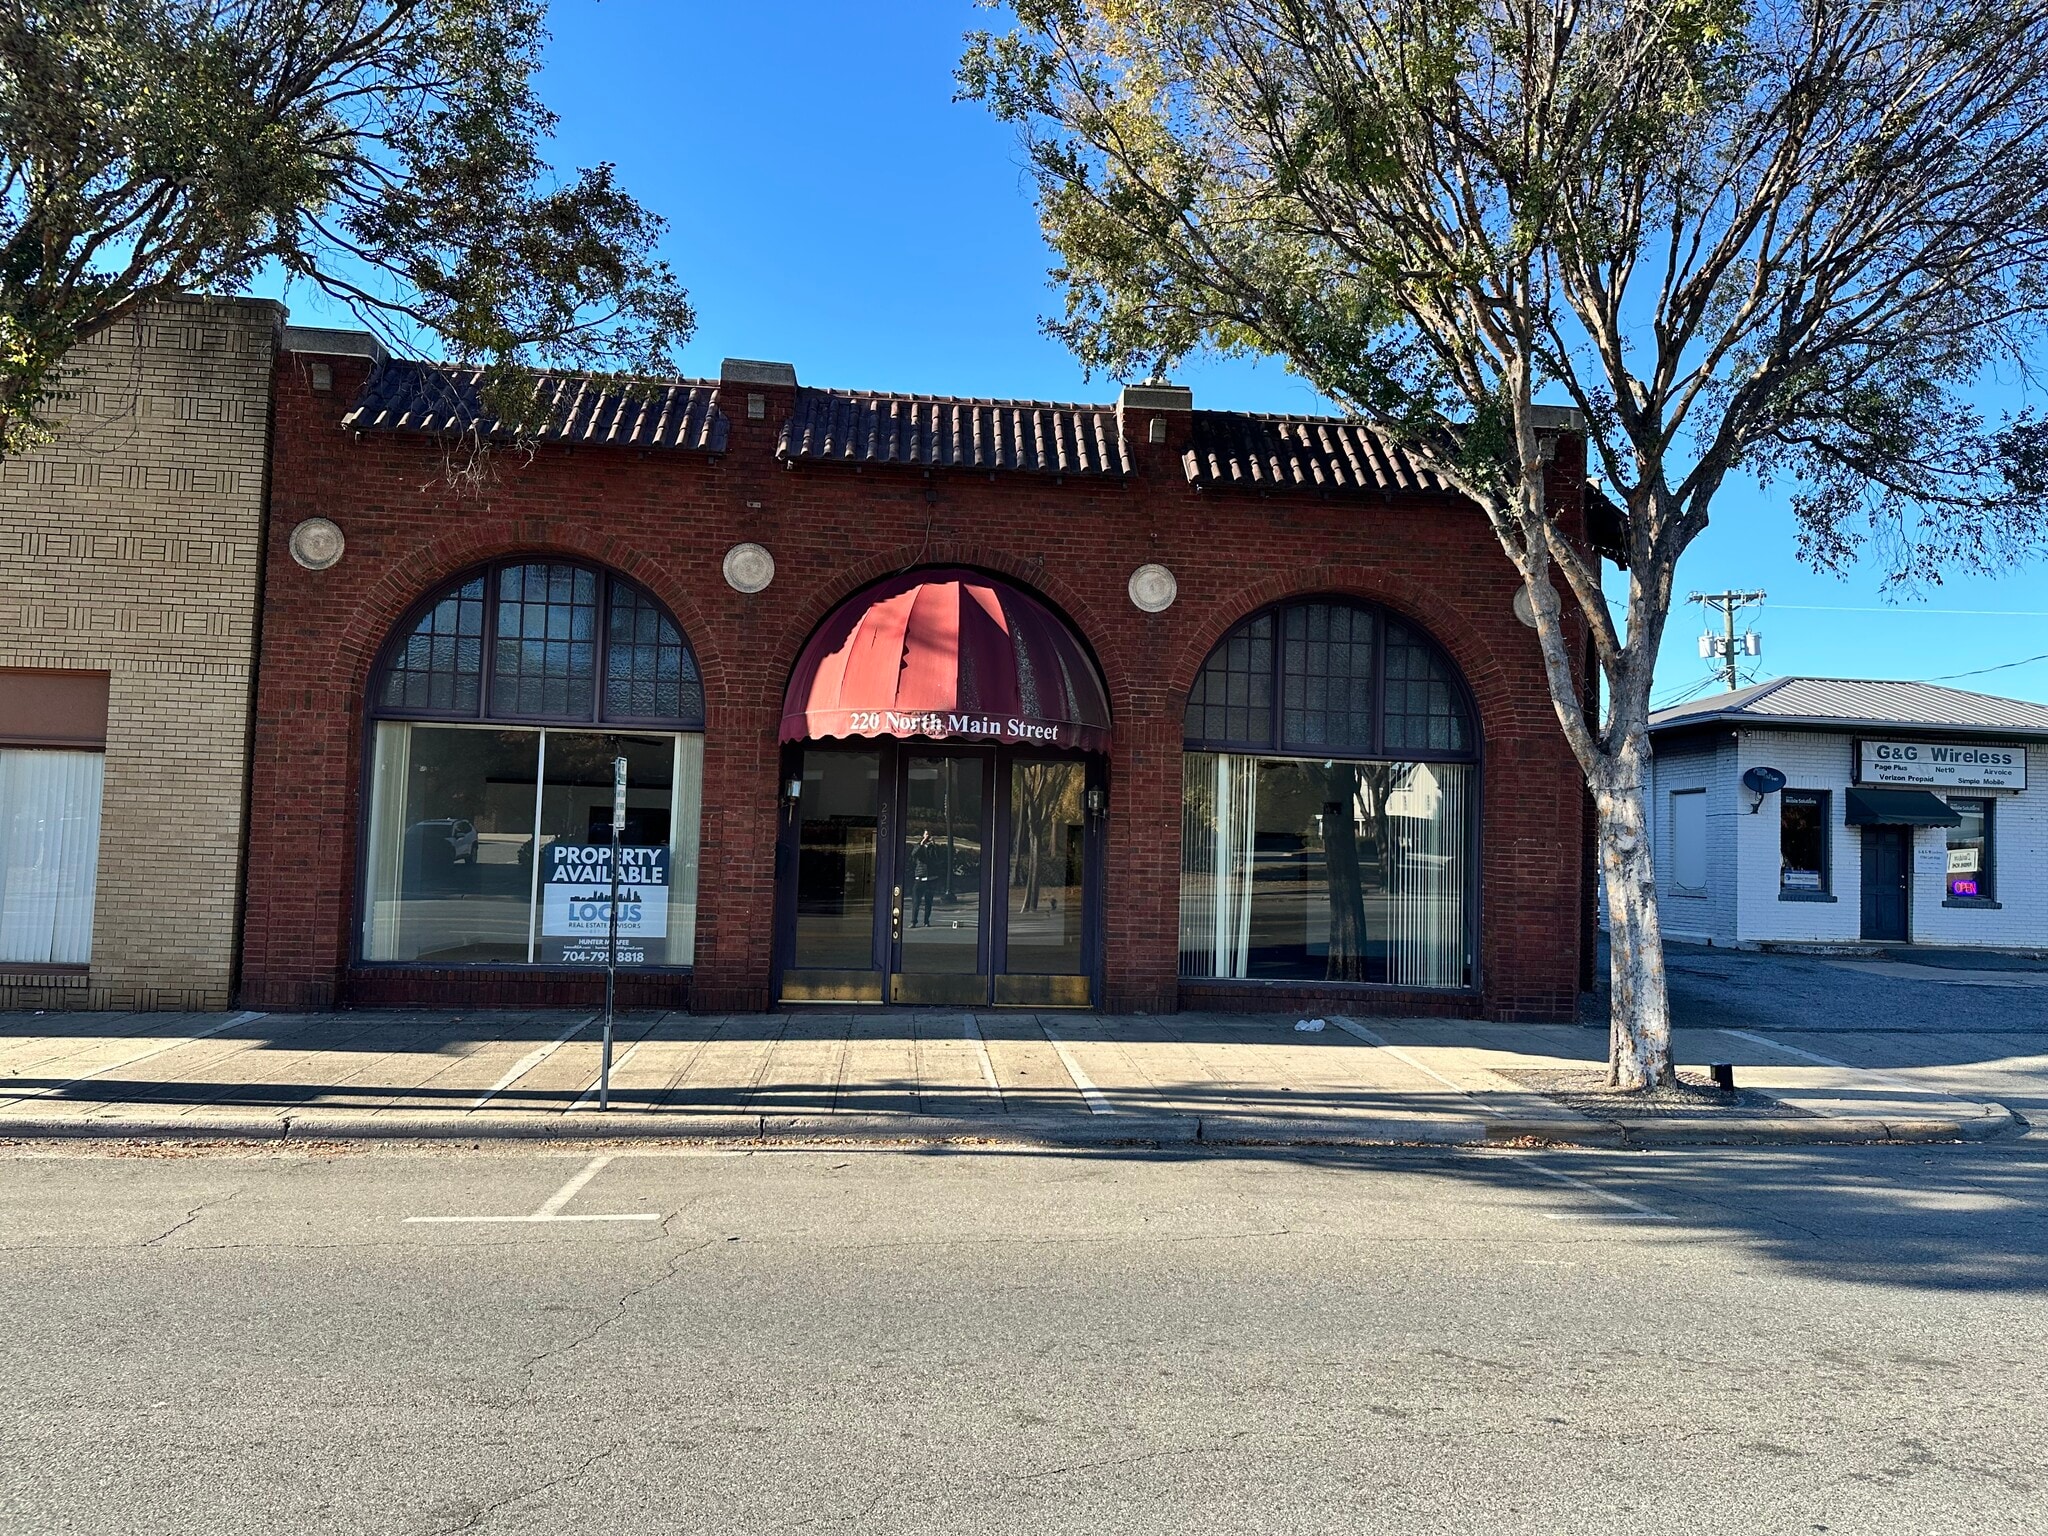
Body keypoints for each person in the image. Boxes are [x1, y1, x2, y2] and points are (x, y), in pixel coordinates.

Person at [910, 830, 938, 927]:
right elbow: (914, 854)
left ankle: (926, 921)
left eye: (929, 835)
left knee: (928, 902)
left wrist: (934, 846)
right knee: (916, 902)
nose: (927, 836)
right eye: (926, 834)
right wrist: (922, 844)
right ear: (923, 835)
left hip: (930, 879)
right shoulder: (918, 846)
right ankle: (913, 921)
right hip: (919, 878)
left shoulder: (932, 847)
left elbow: (937, 859)